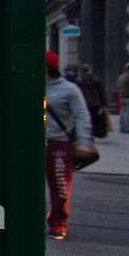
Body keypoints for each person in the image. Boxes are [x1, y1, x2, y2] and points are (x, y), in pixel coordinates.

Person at [46, 50, 93, 240]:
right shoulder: (30, 84)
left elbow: (82, 115)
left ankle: (58, 223)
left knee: (59, 185)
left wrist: (83, 141)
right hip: (30, 143)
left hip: (58, 143)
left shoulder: (69, 89)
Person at [78, 64, 108, 138]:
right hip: (95, 103)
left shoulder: (78, 80)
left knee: (84, 118)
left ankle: (85, 132)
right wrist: (104, 104)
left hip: (83, 103)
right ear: (90, 70)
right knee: (94, 119)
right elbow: (101, 93)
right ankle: (92, 133)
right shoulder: (96, 80)